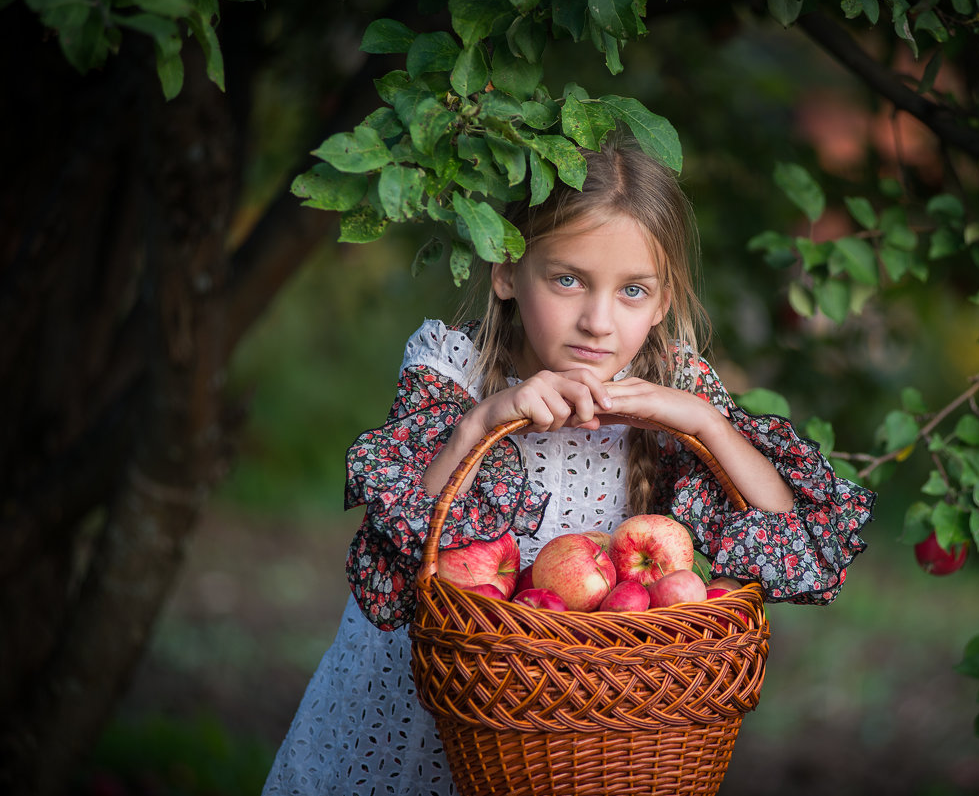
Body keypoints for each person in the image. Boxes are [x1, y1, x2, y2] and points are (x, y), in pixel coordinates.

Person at [262, 141, 875, 795]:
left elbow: (793, 535)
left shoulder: (670, 389)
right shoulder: (454, 371)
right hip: (431, 709)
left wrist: (705, 423)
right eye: (567, 279)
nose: (597, 321)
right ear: (506, 268)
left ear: (663, 301)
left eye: (632, 290)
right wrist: (481, 422)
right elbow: (396, 559)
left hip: (574, 734)